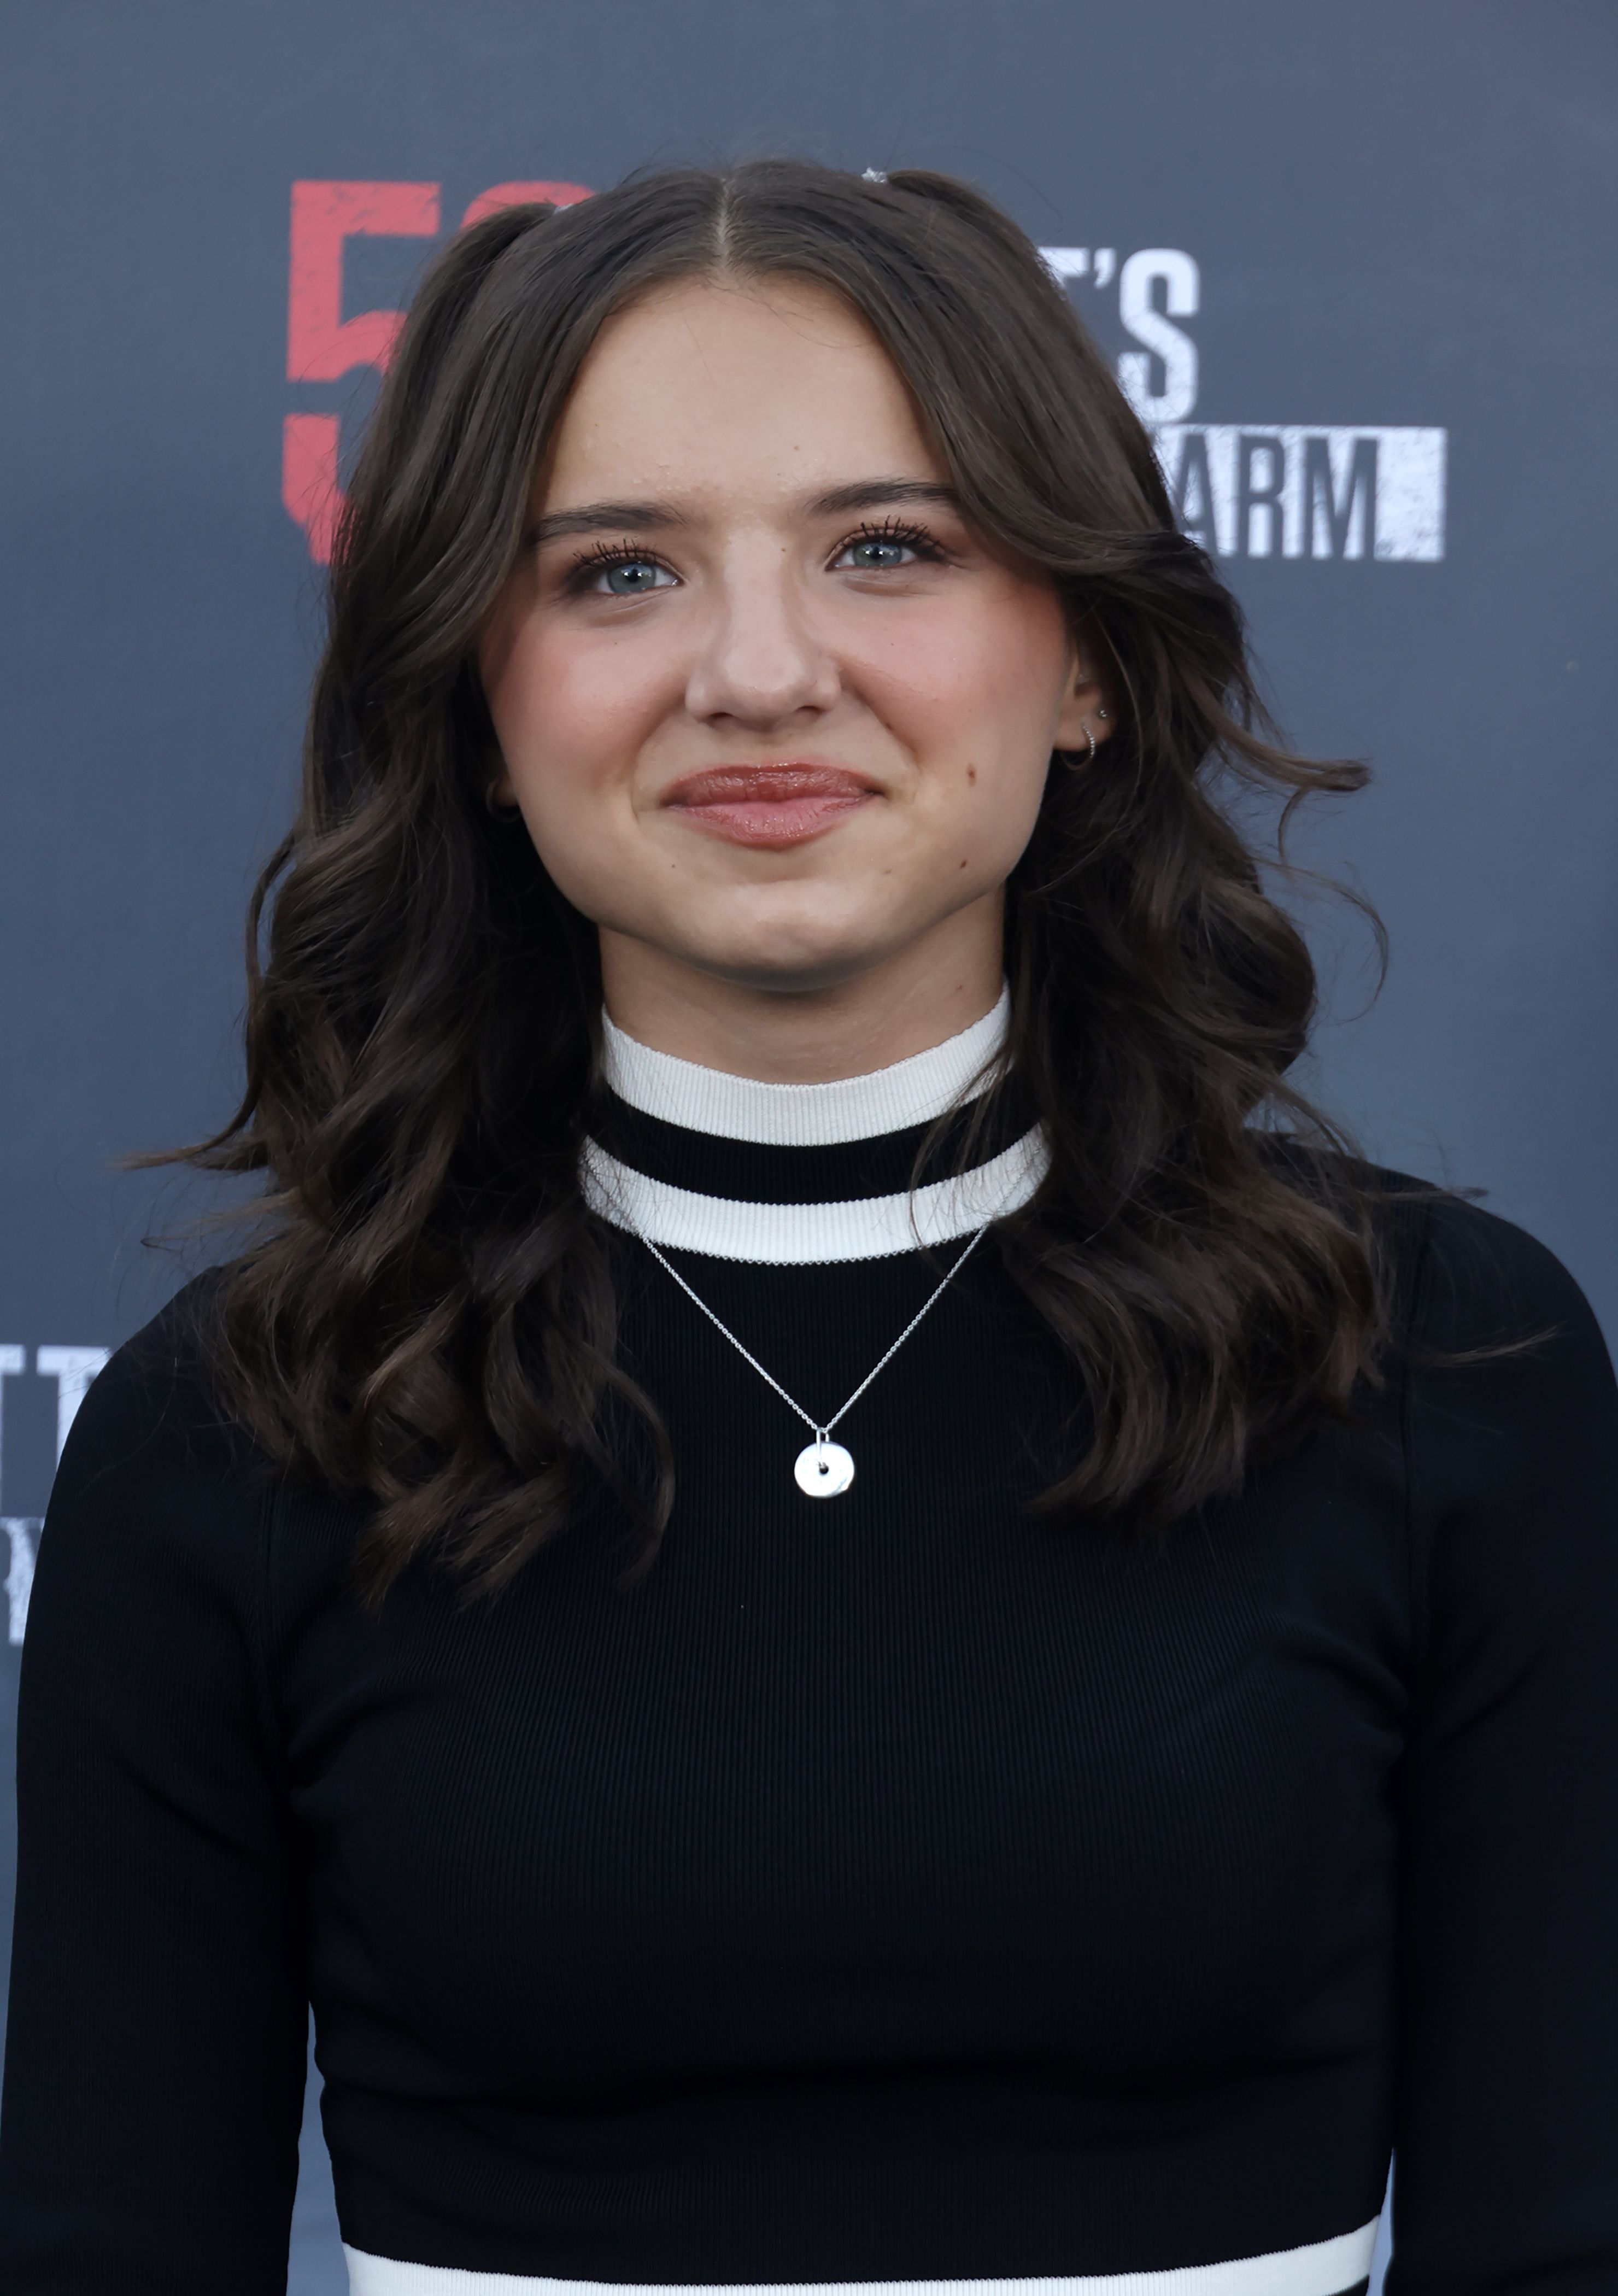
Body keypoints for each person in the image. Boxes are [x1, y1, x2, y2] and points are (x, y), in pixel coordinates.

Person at [1, 159, 1614, 2296]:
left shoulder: (1435, 1365)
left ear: (1086, 662)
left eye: (886, 549)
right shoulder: (240, 1427)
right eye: (618, 574)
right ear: (477, 706)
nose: (758, 675)